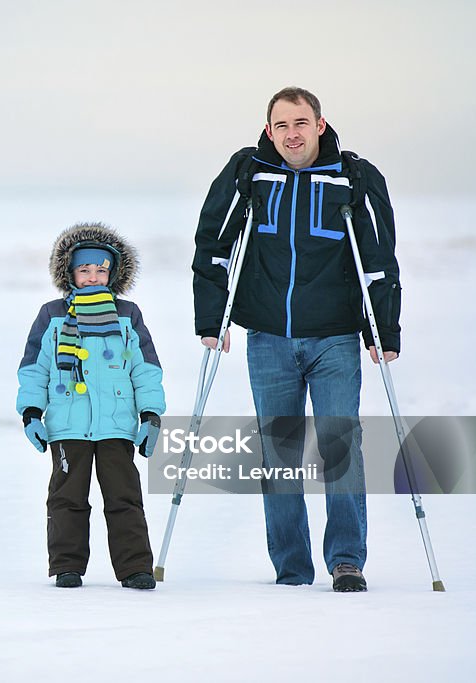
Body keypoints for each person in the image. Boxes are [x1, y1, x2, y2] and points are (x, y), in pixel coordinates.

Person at [192, 87, 402, 592]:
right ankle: (291, 567)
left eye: (301, 123)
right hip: (268, 336)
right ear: (269, 131)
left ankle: (346, 559)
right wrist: (210, 319)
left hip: (334, 338)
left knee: (340, 447)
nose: (292, 134)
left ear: (320, 125)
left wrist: (385, 328)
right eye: (282, 125)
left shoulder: (352, 178)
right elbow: (213, 246)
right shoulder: (248, 174)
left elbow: (378, 261)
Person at [17, 222, 166, 590]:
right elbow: (35, 369)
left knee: (124, 499)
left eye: (101, 269)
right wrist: (31, 412)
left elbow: (145, 369)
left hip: (116, 423)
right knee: (67, 499)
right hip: (68, 424)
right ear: (69, 272)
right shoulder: (52, 314)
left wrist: (150, 415)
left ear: (113, 273)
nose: (93, 276)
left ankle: (135, 568)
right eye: (85, 269)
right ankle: (67, 566)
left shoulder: (127, 314)